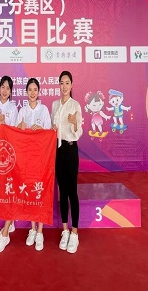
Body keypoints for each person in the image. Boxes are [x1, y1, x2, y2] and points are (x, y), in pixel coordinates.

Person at [16, 78, 51, 252]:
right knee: (30, 192)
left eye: (35, 89)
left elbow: (50, 133)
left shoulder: (43, 110)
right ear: (26, 92)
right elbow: (15, 133)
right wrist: (20, 127)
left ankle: (40, 232)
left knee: (40, 191)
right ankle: (32, 228)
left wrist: (41, 130)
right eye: (29, 89)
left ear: (39, 92)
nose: (32, 92)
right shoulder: (22, 110)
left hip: (40, 158)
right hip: (26, 159)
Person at [51, 70, 83, 254]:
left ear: (71, 85)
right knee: (62, 192)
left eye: (67, 83)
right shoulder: (55, 105)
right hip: (58, 150)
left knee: (72, 191)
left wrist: (74, 123)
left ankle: (75, 233)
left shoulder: (75, 105)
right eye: (61, 83)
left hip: (71, 150)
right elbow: (52, 129)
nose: (64, 86)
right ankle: (65, 230)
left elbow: (78, 133)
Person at [0, 76, 19, 253]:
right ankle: (11, 221)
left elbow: (15, 132)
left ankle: (5, 232)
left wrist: (6, 125)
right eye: (3, 87)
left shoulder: (13, 109)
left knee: (9, 189)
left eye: (8, 88)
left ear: (11, 91)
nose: (5, 91)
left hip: (8, 154)